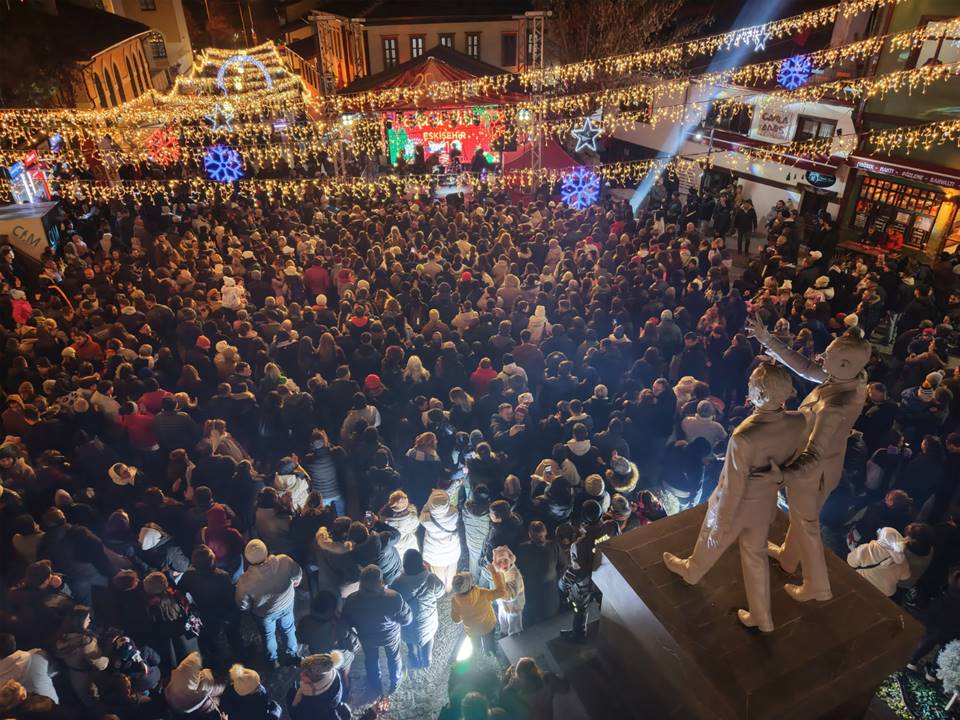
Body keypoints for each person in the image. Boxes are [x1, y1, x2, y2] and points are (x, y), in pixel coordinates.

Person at [663, 363, 806, 632]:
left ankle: (692, 571)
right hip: (765, 503)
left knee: (710, 540)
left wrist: (720, 522)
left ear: (757, 394)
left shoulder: (744, 436)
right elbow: (799, 462)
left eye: (751, 384)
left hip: (736, 506)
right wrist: (779, 477)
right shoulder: (799, 421)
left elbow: (733, 486)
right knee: (756, 559)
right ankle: (762, 617)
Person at [749, 323, 872, 602]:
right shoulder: (847, 378)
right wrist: (769, 339)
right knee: (801, 519)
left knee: (806, 524)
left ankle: (817, 585)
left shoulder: (834, 408)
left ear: (843, 363)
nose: (820, 358)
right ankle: (788, 558)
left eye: (826, 355)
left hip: (814, 471)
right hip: (819, 465)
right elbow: (804, 367)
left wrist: (779, 475)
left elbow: (814, 453)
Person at [342, 564, 412, 695]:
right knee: (394, 658)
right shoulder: (394, 597)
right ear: (380, 581)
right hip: (390, 636)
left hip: (366, 637)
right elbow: (407, 620)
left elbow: (347, 622)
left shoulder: (352, 600)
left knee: (371, 659)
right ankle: (395, 681)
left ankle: (375, 684)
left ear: (361, 582)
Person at [559, 500, 621, 643]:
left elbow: (576, 570)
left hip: (585, 583)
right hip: (607, 577)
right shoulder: (612, 526)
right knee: (606, 604)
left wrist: (562, 584)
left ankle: (579, 634)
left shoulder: (578, 545)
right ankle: (615, 628)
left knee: (580, 609)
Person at [235, 539, 302, 668]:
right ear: (266, 550)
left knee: (268, 636)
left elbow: (242, 605)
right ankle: (292, 655)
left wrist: (251, 607)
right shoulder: (284, 560)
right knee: (289, 629)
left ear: (247, 558)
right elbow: (298, 574)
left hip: (265, 614)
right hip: (287, 604)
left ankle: (273, 660)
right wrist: (295, 581)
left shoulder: (244, 581)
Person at [390, 549, 445, 670]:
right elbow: (441, 592)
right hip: (428, 623)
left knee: (411, 643)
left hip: (408, 626)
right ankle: (427, 660)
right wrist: (429, 571)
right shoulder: (431, 579)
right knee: (428, 640)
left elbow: (393, 602)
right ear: (422, 564)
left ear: (404, 565)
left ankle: (413, 658)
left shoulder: (397, 583)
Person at [451, 565, 507, 655]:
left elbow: (456, 620)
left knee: (475, 647)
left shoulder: (455, 601)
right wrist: (494, 573)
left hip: (472, 630)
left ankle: (478, 656)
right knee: (490, 646)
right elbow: (501, 592)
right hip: (488, 626)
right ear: (471, 585)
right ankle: (490, 657)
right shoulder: (483, 593)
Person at [846, 527, 911, 597]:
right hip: (884, 594)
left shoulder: (867, 549)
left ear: (883, 537)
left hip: (861, 585)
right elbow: (906, 576)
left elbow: (850, 561)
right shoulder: (902, 561)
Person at [420, 488, 461, 592]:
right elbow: (450, 506)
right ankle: (449, 588)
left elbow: (425, 508)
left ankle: (441, 590)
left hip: (434, 553)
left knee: (438, 574)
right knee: (451, 569)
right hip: (452, 549)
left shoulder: (425, 519)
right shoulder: (454, 513)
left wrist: (431, 500)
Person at [287, 652, 350, 720]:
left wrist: (291, 695)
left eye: (306, 674)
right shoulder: (332, 678)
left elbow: (295, 715)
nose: (301, 674)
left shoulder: (310, 706)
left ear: (316, 684)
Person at [492, 545, 525, 637]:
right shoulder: (501, 570)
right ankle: (504, 631)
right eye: (500, 561)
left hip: (514, 604)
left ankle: (514, 635)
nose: (503, 564)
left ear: (510, 559)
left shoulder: (514, 575)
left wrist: (494, 574)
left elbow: (510, 596)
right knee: (503, 616)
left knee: (513, 621)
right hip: (503, 602)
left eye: (505, 560)